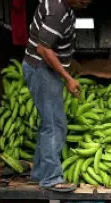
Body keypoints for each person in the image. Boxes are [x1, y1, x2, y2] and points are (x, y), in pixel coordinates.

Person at [22, 0, 92, 192]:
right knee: (54, 124)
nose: (87, 3)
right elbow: (43, 49)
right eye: (84, 0)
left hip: (44, 69)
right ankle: (51, 178)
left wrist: (68, 62)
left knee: (50, 122)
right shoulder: (57, 11)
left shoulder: (64, 7)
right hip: (41, 70)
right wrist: (68, 77)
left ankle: (38, 174)